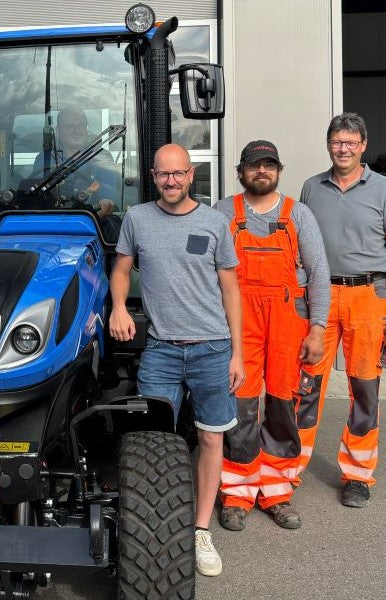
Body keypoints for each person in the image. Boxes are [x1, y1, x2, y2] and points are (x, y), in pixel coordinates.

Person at [109, 143, 243, 577]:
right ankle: (154, 523)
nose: (171, 181)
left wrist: (238, 352)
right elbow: (121, 270)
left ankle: (200, 529)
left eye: (179, 174)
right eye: (163, 174)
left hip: (212, 348)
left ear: (191, 175)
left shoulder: (216, 223)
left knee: (210, 438)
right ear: (154, 176)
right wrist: (118, 308)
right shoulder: (138, 219)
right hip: (162, 350)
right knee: (154, 440)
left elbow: (230, 290)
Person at [214, 140, 330, 531]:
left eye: (269, 165)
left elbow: (318, 276)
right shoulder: (222, 212)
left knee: (283, 405)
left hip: (287, 321)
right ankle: (238, 493)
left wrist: (317, 328)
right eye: (253, 166)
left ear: (278, 170)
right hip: (239, 322)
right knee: (240, 409)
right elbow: (204, 269)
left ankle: (277, 492)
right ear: (241, 171)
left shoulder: (298, 214)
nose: (261, 172)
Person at [299, 112, 386, 508]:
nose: (342, 149)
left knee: (364, 388)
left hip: (370, 296)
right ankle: (290, 466)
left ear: (363, 145)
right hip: (321, 298)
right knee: (306, 384)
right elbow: (303, 252)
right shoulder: (312, 188)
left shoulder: (385, 189)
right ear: (328, 144)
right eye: (336, 142)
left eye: (350, 142)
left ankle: (357, 474)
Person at [31, 108, 118, 220]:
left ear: (86, 129)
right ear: (58, 131)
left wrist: (97, 212)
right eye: (70, 126)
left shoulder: (101, 156)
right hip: (51, 219)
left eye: (81, 125)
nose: (77, 130)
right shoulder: (45, 158)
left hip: (93, 221)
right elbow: (38, 194)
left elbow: (108, 198)